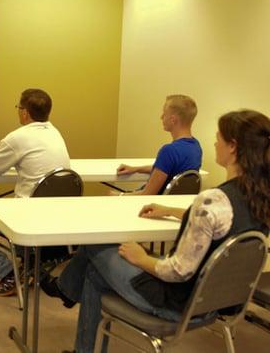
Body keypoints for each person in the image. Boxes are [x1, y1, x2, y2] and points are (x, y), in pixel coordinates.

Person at [43, 109, 270, 353]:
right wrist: (172, 211)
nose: (215, 142)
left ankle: (65, 290)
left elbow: (177, 271)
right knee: (95, 274)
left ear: (233, 147)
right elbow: (222, 224)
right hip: (216, 301)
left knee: (96, 249)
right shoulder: (257, 198)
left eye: (219, 137)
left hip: (175, 302)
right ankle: (73, 314)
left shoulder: (211, 200)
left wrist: (142, 258)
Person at [0, 88, 71, 296]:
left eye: (18, 107)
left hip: (26, 213)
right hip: (57, 212)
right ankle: (31, 262)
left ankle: (8, 272)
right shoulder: (55, 132)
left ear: (24, 112)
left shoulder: (17, 137)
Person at [112, 94, 202, 195]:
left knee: (109, 195)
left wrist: (119, 195)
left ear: (173, 120)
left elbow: (147, 194)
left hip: (151, 205)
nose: (161, 117)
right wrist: (136, 169)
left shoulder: (169, 151)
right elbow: (165, 168)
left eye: (164, 114)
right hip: (171, 205)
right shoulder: (195, 147)